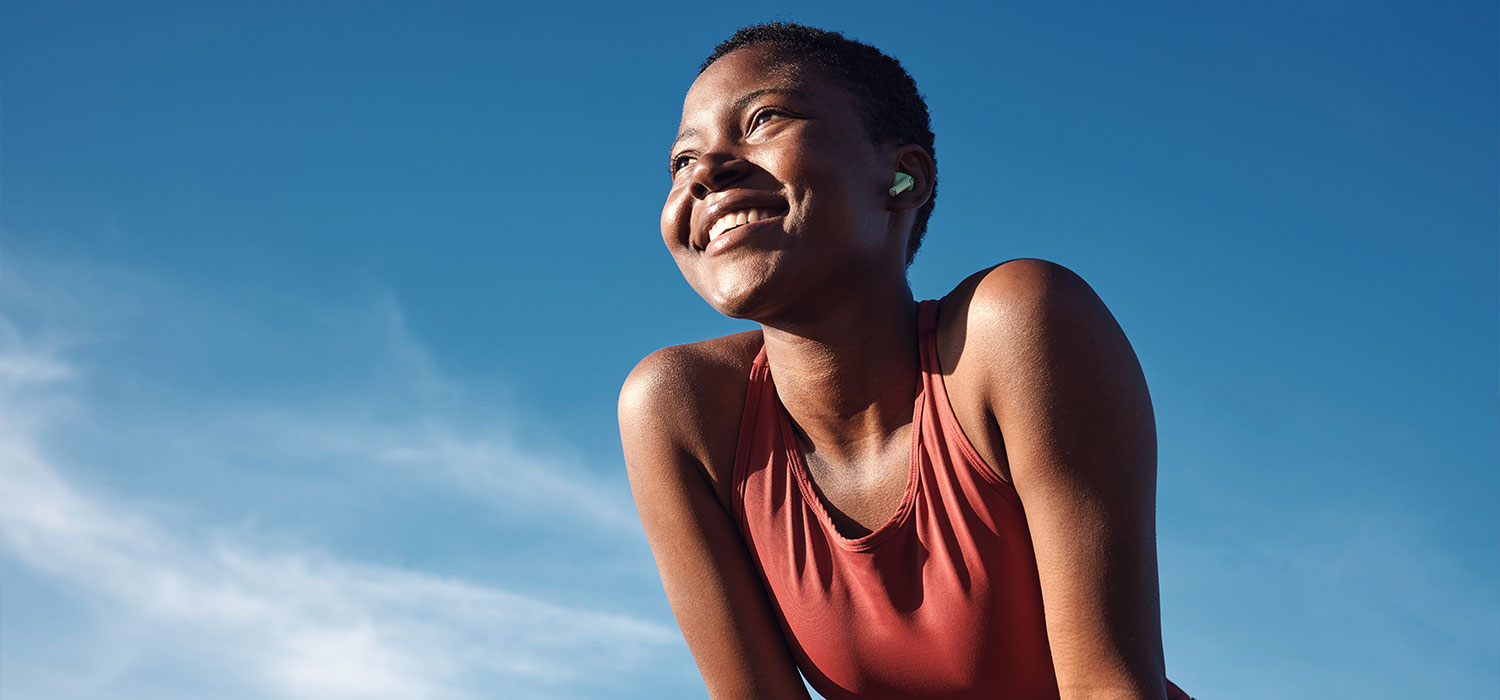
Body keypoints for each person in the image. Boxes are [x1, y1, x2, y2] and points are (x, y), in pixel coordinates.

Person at [619, 23, 1192, 700]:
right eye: (683, 161)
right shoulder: (680, 411)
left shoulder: (1014, 330)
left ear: (902, 178)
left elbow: (1109, 688)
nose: (708, 170)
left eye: (764, 119)